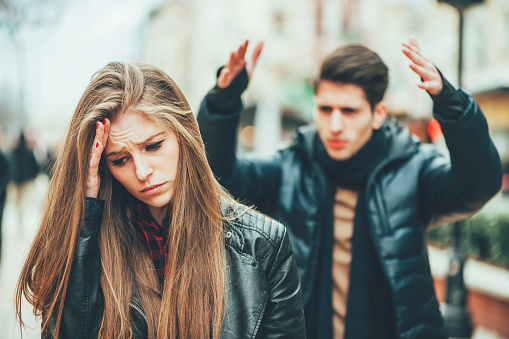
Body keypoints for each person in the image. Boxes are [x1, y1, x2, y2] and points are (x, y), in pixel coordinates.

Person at [196, 38, 503, 339]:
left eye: (350, 111)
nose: (335, 125)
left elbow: (477, 187)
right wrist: (224, 102)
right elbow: (219, 179)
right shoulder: (290, 167)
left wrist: (454, 107)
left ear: (378, 114)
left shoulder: (412, 169)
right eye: (326, 109)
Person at [15, 61, 305, 339]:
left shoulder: (264, 246)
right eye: (120, 160)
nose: (142, 172)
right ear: (103, 166)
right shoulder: (91, 242)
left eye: (153, 146)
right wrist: (86, 208)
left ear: (183, 134)